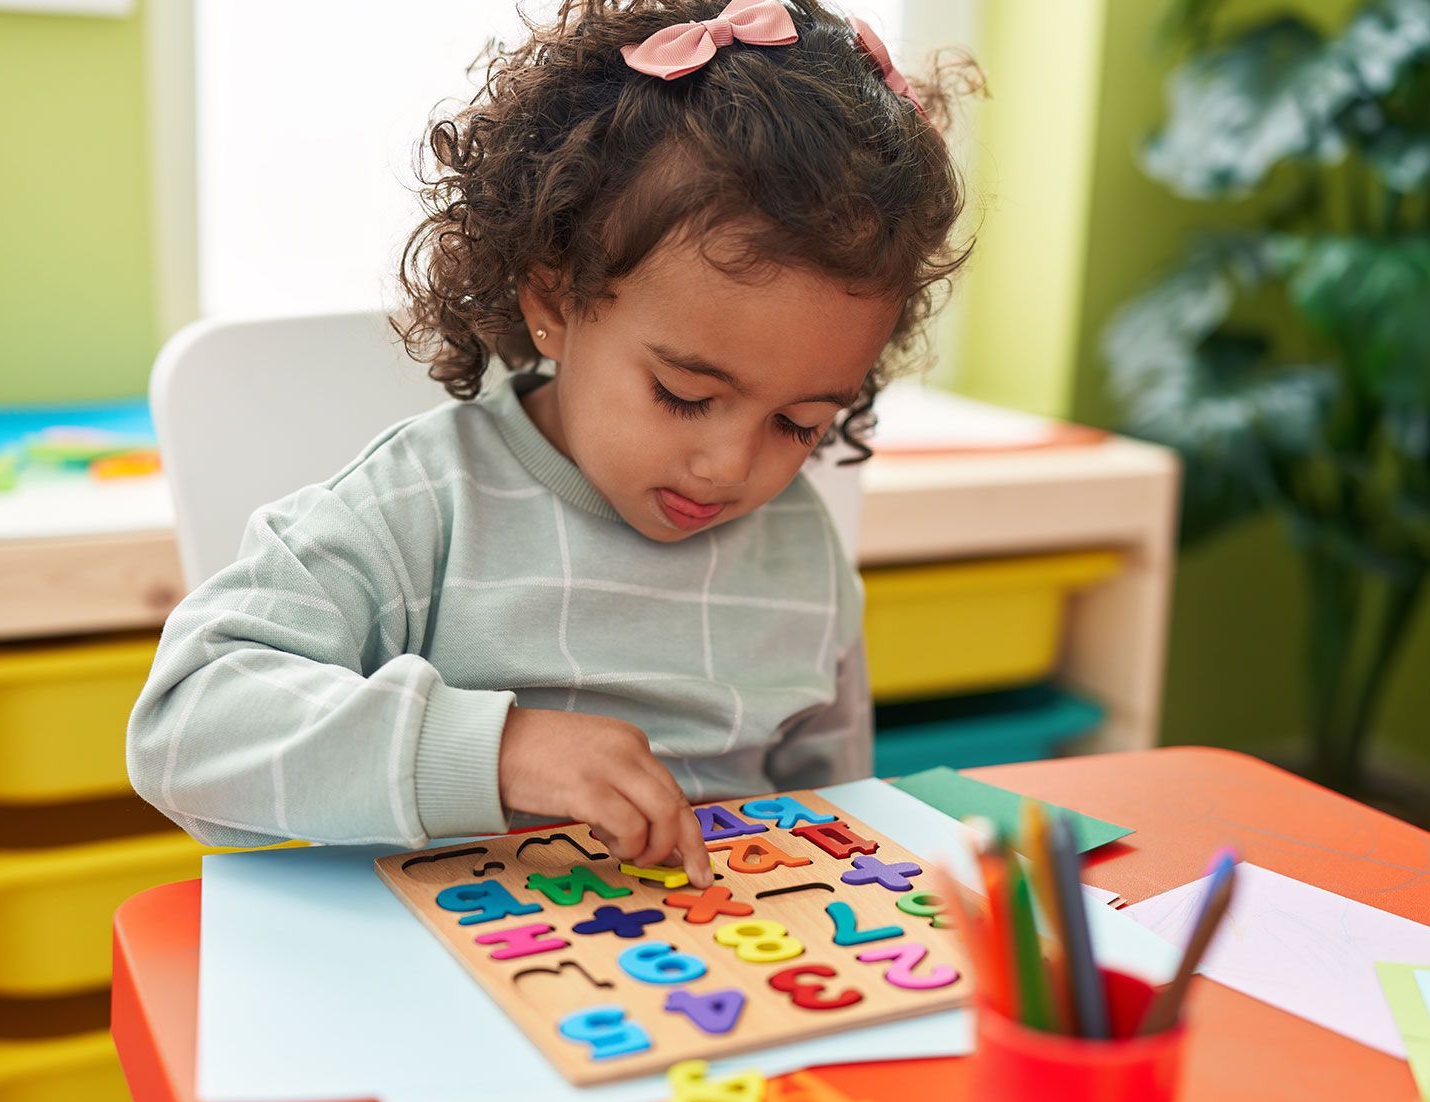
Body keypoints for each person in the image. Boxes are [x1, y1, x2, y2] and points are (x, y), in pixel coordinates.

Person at [126, 0, 979, 889]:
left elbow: (838, 818)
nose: (730, 466)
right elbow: (186, 726)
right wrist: (495, 752)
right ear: (553, 303)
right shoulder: (420, 509)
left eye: (799, 423)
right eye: (686, 396)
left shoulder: (799, 555)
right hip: (453, 990)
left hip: (720, 994)